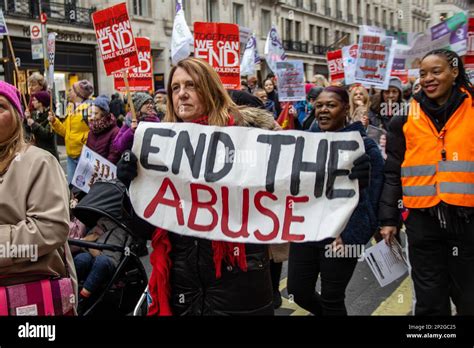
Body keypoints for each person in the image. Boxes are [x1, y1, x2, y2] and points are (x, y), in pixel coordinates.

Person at [117, 57, 281, 316]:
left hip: (239, 285)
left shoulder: (249, 137)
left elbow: (287, 197)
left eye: (191, 85)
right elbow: (145, 229)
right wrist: (130, 186)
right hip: (184, 288)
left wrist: (350, 177)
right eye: (175, 88)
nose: (181, 94)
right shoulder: (160, 148)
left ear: (210, 89)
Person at [379, 49, 474, 315]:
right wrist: (388, 219)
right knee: (430, 303)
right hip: (423, 224)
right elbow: (393, 172)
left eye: (436, 71)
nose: (427, 79)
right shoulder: (405, 118)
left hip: (467, 224)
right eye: (422, 74)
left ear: (454, 72)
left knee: (469, 300)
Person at [287, 86, 383, 316]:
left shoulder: (365, 146)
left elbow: (373, 198)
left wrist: (350, 236)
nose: (323, 110)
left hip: (341, 236)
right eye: (319, 105)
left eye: (331, 105)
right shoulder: (305, 143)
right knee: (297, 291)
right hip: (308, 232)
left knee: (332, 298)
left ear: (345, 108)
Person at [0, 81, 77, 311]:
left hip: (25, 295)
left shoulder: (39, 162)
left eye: (0, 106)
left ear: (17, 116)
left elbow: (51, 229)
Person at [49, 80, 94, 184]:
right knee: (71, 187)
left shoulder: (89, 109)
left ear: (78, 93)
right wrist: (54, 121)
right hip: (71, 154)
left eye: (71, 90)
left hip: (84, 155)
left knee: (84, 187)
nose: (68, 92)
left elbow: (95, 132)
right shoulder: (71, 108)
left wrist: (83, 141)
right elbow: (65, 132)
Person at [24, 90, 59, 160]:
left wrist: (33, 124)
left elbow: (47, 134)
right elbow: (28, 131)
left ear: (41, 102)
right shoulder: (35, 114)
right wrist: (26, 119)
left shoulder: (51, 116)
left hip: (49, 154)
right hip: (38, 153)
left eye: (34, 100)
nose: (32, 102)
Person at [86, 95, 121, 164]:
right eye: (90, 114)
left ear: (104, 114)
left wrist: (101, 170)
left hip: (105, 171)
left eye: (95, 113)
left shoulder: (115, 131)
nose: (92, 117)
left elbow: (113, 156)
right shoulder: (91, 131)